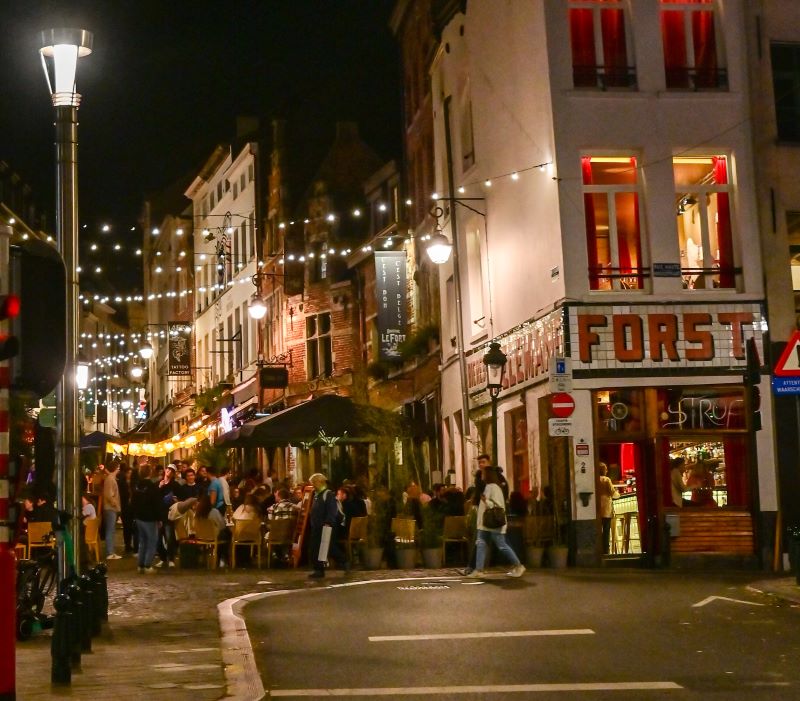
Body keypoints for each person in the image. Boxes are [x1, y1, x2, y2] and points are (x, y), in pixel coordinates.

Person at [468, 465, 525, 578]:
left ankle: (519, 565)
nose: (482, 475)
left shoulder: (492, 487)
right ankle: (479, 570)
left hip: (492, 523)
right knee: (481, 543)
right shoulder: (491, 487)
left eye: (484, 473)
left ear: (488, 475)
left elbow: (497, 505)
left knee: (501, 545)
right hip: (485, 524)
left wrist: (485, 500)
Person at [307, 473, 348, 578]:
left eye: (314, 483)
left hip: (326, 525)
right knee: (317, 548)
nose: (313, 485)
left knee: (328, 547)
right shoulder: (317, 495)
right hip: (317, 526)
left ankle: (342, 562)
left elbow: (331, 510)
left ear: (320, 482)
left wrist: (328, 522)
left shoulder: (327, 494)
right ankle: (319, 569)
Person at [131, 464, 161, 573]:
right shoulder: (152, 487)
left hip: (139, 517)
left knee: (142, 541)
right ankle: (148, 565)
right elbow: (156, 503)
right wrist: (159, 518)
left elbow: (133, 502)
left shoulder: (137, 486)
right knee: (152, 541)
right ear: (150, 472)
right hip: (150, 517)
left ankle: (141, 565)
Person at [157, 464, 180, 568]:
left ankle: (171, 558)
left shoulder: (175, 485)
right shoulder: (159, 483)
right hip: (159, 514)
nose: (169, 471)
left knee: (169, 537)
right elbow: (155, 497)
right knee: (158, 538)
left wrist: (177, 500)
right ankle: (162, 558)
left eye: (172, 470)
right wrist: (160, 487)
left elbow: (181, 498)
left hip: (169, 514)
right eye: (168, 469)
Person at [597, 462, 619, 555]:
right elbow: (613, 493)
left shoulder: (595, 479)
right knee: (606, 530)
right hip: (606, 508)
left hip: (598, 509)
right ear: (603, 470)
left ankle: (599, 549)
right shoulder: (606, 480)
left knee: (598, 530)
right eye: (606, 469)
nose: (607, 470)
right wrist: (618, 494)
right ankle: (606, 550)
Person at [103, 462, 122, 560]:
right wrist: (115, 504)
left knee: (111, 530)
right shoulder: (111, 479)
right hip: (111, 508)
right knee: (110, 530)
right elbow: (109, 495)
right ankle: (110, 552)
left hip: (110, 507)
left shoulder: (110, 479)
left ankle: (111, 551)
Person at [118, 464, 138, 554]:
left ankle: (135, 545)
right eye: (128, 473)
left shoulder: (134, 484)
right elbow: (121, 495)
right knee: (127, 527)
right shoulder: (122, 483)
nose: (129, 474)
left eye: (131, 473)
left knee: (134, 527)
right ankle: (127, 545)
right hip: (125, 507)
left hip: (133, 508)